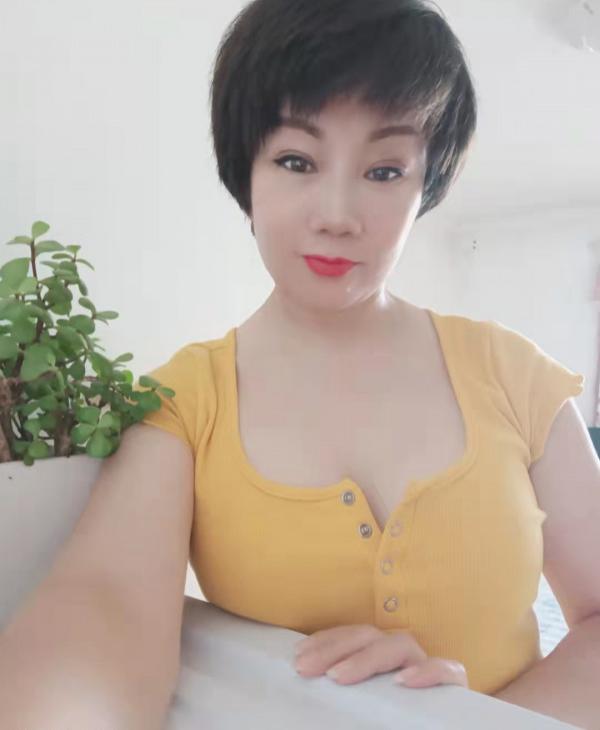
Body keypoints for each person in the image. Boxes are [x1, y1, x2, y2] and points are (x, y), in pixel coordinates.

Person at [1, 1, 598, 728]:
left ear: (426, 187)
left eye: (385, 170)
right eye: (295, 161)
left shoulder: (517, 376)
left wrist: (472, 721)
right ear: (245, 171)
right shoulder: (182, 404)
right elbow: (102, 608)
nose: (338, 214)